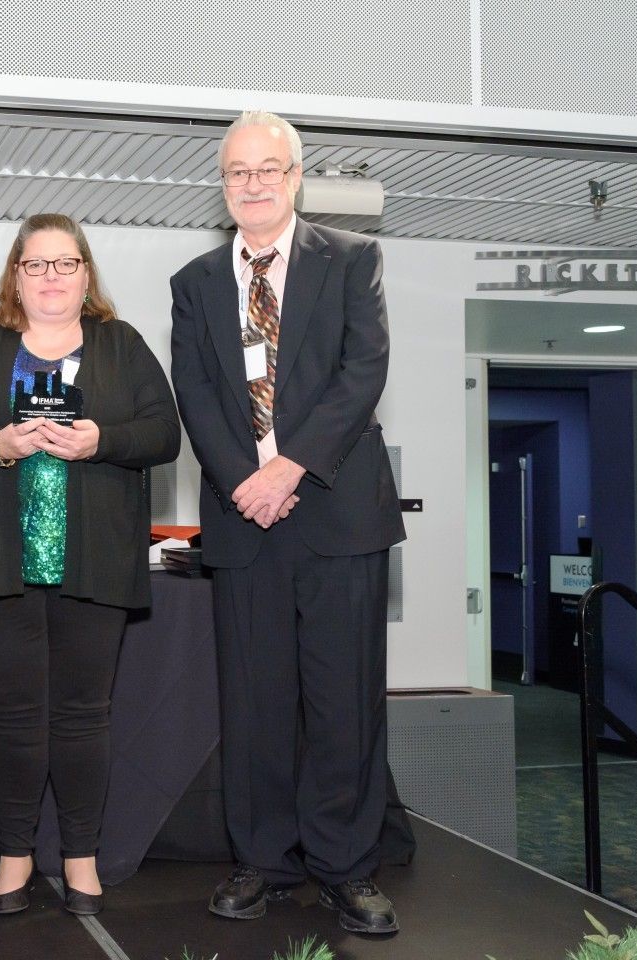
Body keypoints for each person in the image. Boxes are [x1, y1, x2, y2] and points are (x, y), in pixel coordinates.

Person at [169, 111, 407, 935]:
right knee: (255, 703)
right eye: (238, 172)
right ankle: (262, 861)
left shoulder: (352, 259)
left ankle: (347, 868)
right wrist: (246, 483)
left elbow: (363, 369)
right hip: (244, 521)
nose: (254, 184)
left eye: (269, 169)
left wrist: (289, 466)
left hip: (337, 515)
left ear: (297, 176)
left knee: (344, 704)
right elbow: (196, 394)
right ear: (224, 183)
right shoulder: (195, 282)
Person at [0, 213, 181, 916]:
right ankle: (13, 857)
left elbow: (165, 434)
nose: (50, 278)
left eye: (64, 264)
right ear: (16, 274)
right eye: (35, 265)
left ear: (86, 273)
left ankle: (80, 857)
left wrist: (101, 439)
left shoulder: (120, 345)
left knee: (82, 717)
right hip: (4, 561)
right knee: (12, 717)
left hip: (95, 563)